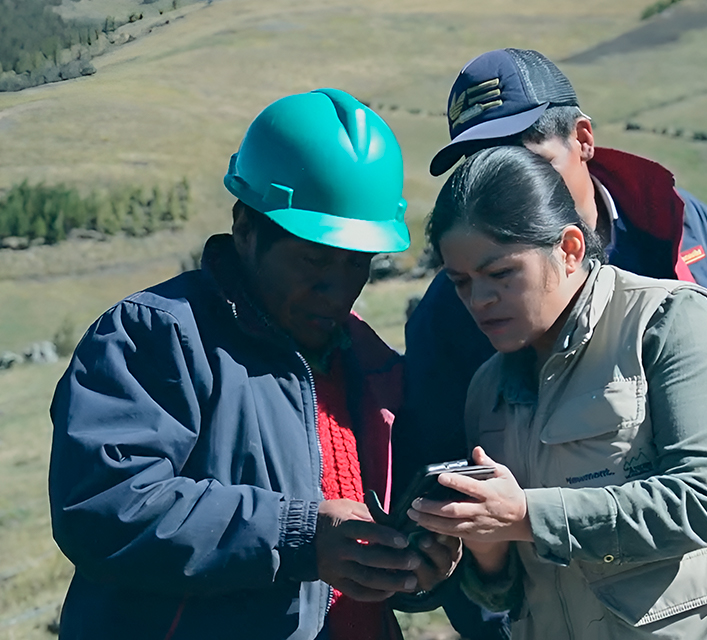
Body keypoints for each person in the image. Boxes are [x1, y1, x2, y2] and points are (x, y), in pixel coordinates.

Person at [48, 89, 460, 640]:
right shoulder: (156, 336)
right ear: (246, 227)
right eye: (313, 258)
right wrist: (297, 537)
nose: (337, 288)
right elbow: (105, 508)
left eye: (358, 263)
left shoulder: (369, 362)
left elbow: (373, 549)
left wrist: (417, 570)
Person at [408, 146, 707, 640]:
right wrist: (487, 545)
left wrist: (526, 516)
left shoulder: (671, 324)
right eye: (461, 283)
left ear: (570, 249)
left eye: (501, 274)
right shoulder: (487, 391)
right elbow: (507, 594)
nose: (480, 300)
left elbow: (700, 505)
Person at [394, 50, 707, 539]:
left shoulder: (677, 230)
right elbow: (447, 459)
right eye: (487, 166)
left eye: (529, 159)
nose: (516, 183)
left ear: (582, 139)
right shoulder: (453, 306)